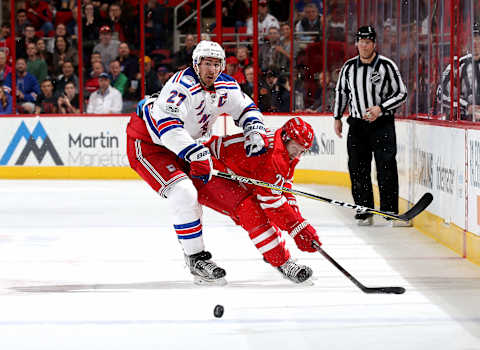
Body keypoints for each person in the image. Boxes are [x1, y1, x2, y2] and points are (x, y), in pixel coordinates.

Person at [126, 40, 269, 285]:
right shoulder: (180, 86)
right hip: (150, 145)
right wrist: (198, 154)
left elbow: (247, 107)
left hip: (186, 146)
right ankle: (196, 258)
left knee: (226, 193)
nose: (212, 69)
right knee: (183, 192)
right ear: (196, 63)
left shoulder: (225, 85)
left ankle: (269, 246)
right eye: (207, 64)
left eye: (216, 64)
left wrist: (254, 129)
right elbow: (168, 128)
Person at [202, 117, 321, 282]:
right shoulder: (271, 155)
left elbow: (283, 188)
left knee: (259, 206)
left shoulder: (284, 150)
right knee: (251, 210)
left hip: (232, 171)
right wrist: (297, 227)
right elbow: (272, 203)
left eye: (302, 151)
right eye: (296, 148)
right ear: (286, 139)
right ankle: (283, 262)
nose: (298, 154)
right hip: (210, 169)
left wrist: (297, 221)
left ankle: (274, 251)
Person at [333, 25, 407, 226]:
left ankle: (390, 211)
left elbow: (401, 93)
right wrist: (337, 117)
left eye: (368, 42)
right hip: (357, 125)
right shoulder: (348, 67)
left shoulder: (387, 65)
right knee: (357, 168)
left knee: (386, 166)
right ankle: (364, 210)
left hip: (382, 124)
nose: (364, 46)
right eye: (361, 42)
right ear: (356, 43)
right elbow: (341, 93)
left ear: (374, 43)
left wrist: (380, 108)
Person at [437, 23, 480, 121]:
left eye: (478, 41)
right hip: (464, 123)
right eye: (472, 42)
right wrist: (466, 106)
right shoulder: (458, 64)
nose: (476, 47)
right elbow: (440, 94)